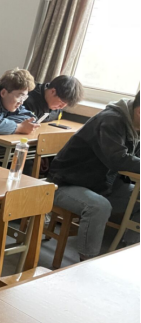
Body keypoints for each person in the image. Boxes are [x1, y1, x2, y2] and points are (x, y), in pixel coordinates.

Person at [48, 92, 140, 261]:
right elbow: (118, 159)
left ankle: (130, 254)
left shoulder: (134, 124)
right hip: (66, 183)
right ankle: (87, 263)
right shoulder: (111, 120)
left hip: (101, 185)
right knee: (98, 207)